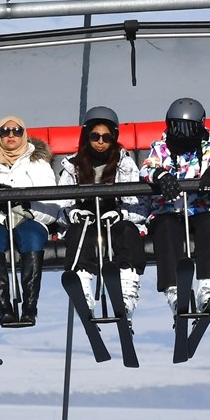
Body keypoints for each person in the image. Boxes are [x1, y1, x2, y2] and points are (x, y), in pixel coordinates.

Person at [139, 97, 210, 321]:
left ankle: (208, 285)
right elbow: (146, 169)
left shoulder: (209, 148)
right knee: (165, 229)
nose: (182, 135)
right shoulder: (161, 148)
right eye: (177, 128)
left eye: (188, 129)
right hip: (170, 211)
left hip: (202, 208)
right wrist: (161, 176)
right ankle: (174, 290)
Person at [56, 106, 147, 322]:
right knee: (79, 233)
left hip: (114, 219)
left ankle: (126, 291)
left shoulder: (124, 164)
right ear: (87, 137)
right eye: (95, 136)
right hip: (85, 221)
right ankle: (83, 289)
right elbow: (60, 205)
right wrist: (73, 215)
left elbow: (138, 205)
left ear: (114, 138)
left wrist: (122, 215)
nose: (100, 142)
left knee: (127, 232)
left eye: (106, 137)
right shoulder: (72, 166)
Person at [0, 116, 58, 325]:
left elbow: (53, 207)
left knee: (32, 237)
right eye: (5, 131)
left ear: (23, 134)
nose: (11, 135)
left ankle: (29, 307)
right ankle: (4, 308)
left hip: (28, 217)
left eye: (17, 131)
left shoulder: (38, 163)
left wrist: (27, 205)